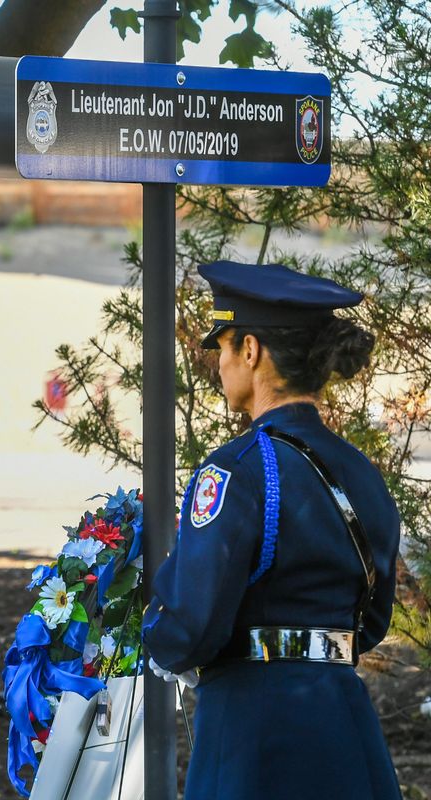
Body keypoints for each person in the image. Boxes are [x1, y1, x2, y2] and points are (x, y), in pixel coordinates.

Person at [142, 260, 402, 799]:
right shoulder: (362, 474)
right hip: (344, 726)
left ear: (252, 350)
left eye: (224, 347)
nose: (219, 364)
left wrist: (151, 635)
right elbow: (371, 622)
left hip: (252, 732)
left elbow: (191, 625)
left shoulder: (236, 470)